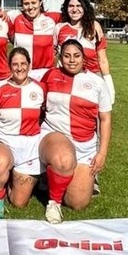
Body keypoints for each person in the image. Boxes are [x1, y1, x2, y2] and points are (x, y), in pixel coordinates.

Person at [38, 39, 112, 224]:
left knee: (78, 203)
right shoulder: (50, 75)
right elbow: (35, 103)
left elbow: (105, 119)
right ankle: (53, 203)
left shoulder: (97, 82)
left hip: (84, 145)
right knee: (64, 159)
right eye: (67, 56)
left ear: (83, 57)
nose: (72, 60)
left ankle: (53, 177)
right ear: (60, 57)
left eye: (76, 56)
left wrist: (102, 153)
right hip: (55, 136)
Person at [0, 47, 46, 219]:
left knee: (19, 202)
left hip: (30, 145)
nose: (19, 68)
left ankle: (12, 176)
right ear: (9, 66)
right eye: (15, 64)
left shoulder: (40, 88)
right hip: (5, 140)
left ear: (29, 65)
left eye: (23, 64)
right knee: (0, 162)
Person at [55, 0, 116, 101]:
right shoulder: (59, 28)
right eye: (71, 6)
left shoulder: (94, 29)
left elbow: (102, 60)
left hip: (93, 78)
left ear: (85, 8)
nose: (75, 10)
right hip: (67, 78)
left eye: (79, 6)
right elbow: (54, 55)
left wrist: (109, 86)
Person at [4, 0, 60, 81]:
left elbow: (74, 16)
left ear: (40, 2)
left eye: (34, 3)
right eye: (26, 4)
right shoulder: (15, 17)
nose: (30, 7)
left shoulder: (52, 18)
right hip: (21, 74)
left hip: (46, 74)